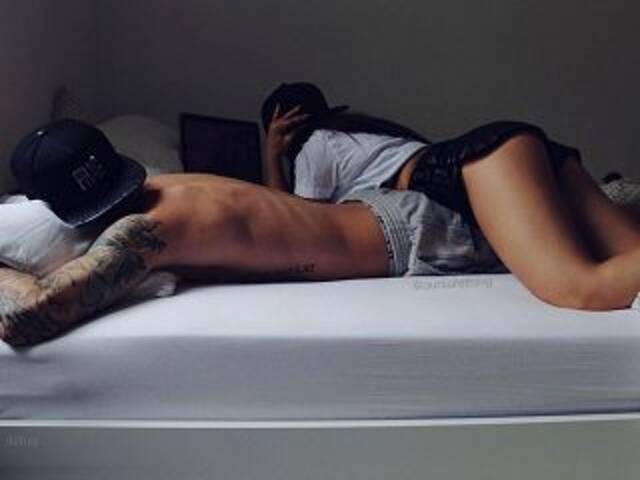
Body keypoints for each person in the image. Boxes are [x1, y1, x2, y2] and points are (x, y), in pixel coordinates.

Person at [2, 109, 640, 348]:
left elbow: (32, 315)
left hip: (437, 203)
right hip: (459, 175)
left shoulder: (150, 228)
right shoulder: (172, 183)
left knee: (586, 288)